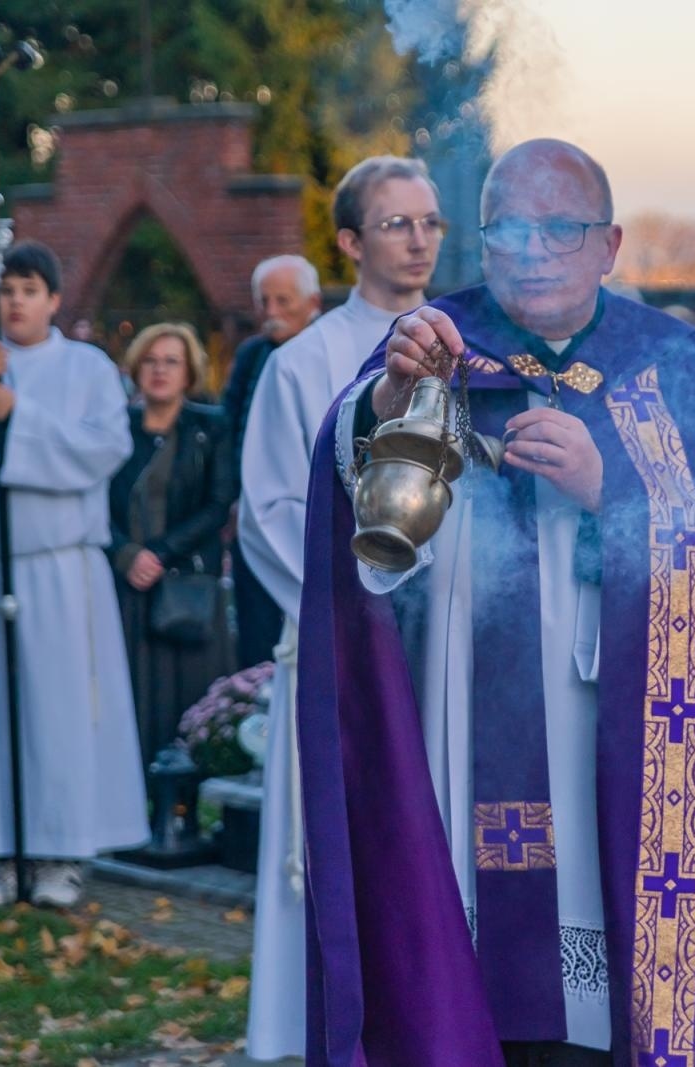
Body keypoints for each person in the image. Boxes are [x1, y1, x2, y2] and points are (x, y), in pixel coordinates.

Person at [295, 139, 695, 1066]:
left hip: (621, 732)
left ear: (609, 245)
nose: (534, 248)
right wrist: (392, 396)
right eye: (510, 228)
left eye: (561, 228)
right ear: (483, 242)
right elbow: (348, 503)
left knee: (603, 1002)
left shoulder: (671, 363)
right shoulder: (437, 342)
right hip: (466, 716)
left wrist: (617, 490)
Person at [237, 155, 445, 1062]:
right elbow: (269, 511)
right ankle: (321, 1028)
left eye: (431, 222)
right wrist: (357, 601)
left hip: (457, 646)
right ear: (352, 241)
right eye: (397, 223)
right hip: (343, 642)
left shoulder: (464, 342)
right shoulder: (303, 362)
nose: (419, 239)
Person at [0, 240, 148, 909]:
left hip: (58, 569)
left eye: (29, 288)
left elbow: (105, 449)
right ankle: (1, 851)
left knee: (60, 711)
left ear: (53, 298)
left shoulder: (88, 367)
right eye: (6, 288)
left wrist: (18, 414)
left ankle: (60, 853)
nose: (15, 300)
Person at [109, 322, 237, 769]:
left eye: (171, 362)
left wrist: (158, 554)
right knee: (130, 693)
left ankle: (188, 803)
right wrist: (126, 555)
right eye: (150, 360)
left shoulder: (211, 428)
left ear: (189, 373)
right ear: (135, 368)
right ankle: (135, 800)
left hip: (188, 584)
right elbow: (89, 501)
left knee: (189, 697)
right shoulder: (113, 429)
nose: (160, 370)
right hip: (125, 584)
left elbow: (219, 504)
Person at [224, 254, 322, 667]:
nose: (271, 312)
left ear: (313, 302)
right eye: (264, 302)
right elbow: (231, 429)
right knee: (258, 637)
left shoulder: (326, 352)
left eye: (283, 301)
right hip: (256, 516)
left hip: (312, 516)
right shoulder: (252, 356)